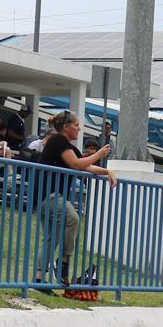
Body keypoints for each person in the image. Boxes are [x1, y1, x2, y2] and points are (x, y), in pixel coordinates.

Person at [34, 111, 116, 291]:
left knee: (50, 238)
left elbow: (86, 164)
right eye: (77, 125)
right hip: (50, 195)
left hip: (47, 196)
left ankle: (38, 281)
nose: (79, 129)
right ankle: (62, 263)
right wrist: (99, 154)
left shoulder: (67, 146)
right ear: (66, 127)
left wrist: (107, 172)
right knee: (73, 219)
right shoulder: (57, 141)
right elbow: (76, 164)